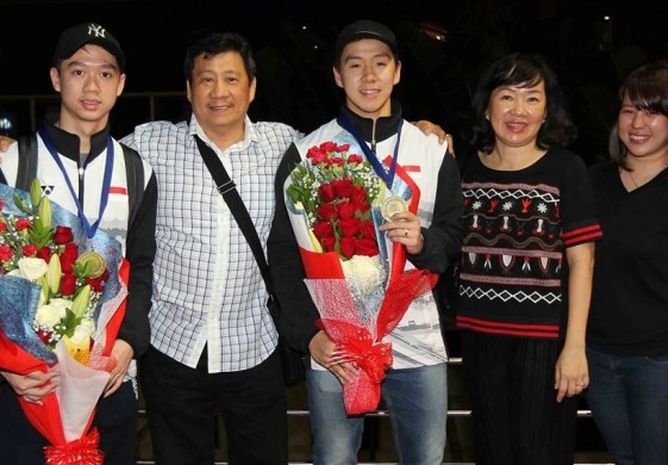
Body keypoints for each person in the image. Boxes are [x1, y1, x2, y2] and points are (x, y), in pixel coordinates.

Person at [118, 30, 451, 465]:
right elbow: (88, 165)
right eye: (207, 79)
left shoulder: (288, 146)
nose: (220, 92)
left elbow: (355, 147)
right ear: (189, 89)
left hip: (254, 348)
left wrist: (423, 132)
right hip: (173, 347)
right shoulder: (148, 144)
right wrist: (11, 152)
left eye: (232, 79)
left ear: (252, 88)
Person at [268, 19, 463, 464]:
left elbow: (454, 232)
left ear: (397, 72)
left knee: (426, 458)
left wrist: (424, 242)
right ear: (338, 76)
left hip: (417, 339)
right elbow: (284, 252)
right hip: (336, 342)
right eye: (355, 65)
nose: (368, 76)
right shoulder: (309, 153)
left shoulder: (429, 149)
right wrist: (306, 335)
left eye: (380, 64)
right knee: (334, 459)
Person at [0, 22, 156, 465]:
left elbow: (143, 265)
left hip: (108, 378)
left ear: (121, 84)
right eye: (78, 71)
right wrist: (6, 368)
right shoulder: (14, 162)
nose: (92, 85)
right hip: (30, 386)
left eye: (105, 73)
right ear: (55, 78)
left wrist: (128, 343)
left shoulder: (136, 170)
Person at [454, 53, 602, 464]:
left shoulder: (565, 169)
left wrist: (575, 346)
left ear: (546, 111)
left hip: (543, 341)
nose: (518, 110)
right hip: (478, 335)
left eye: (532, 99)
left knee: (540, 452)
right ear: (487, 106)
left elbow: (583, 263)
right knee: (491, 450)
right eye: (507, 96)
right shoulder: (464, 169)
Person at [586, 61, 668, 465]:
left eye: (653, 111)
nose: (638, 122)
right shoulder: (594, 181)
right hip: (597, 358)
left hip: (661, 363)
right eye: (629, 109)